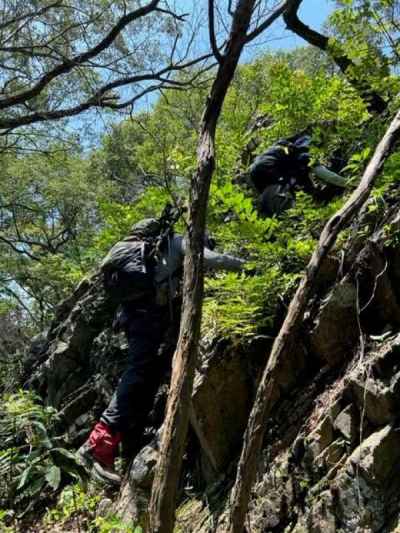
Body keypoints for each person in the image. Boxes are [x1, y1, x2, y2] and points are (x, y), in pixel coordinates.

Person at [78, 210, 245, 485]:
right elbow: (211, 260)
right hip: (147, 319)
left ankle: (124, 447)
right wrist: (249, 266)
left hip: (133, 319)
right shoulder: (178, 243)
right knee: (139, 374)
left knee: (145, 375)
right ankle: (98, 444)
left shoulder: (144, 253)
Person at [248, 132, 348, 217]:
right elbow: (321, 175)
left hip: (257, 176)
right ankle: (349, 184)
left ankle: (288, 217)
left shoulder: (279, 148)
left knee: (280, 196)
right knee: (289, 188)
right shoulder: (298, 155)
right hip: (270, 171)